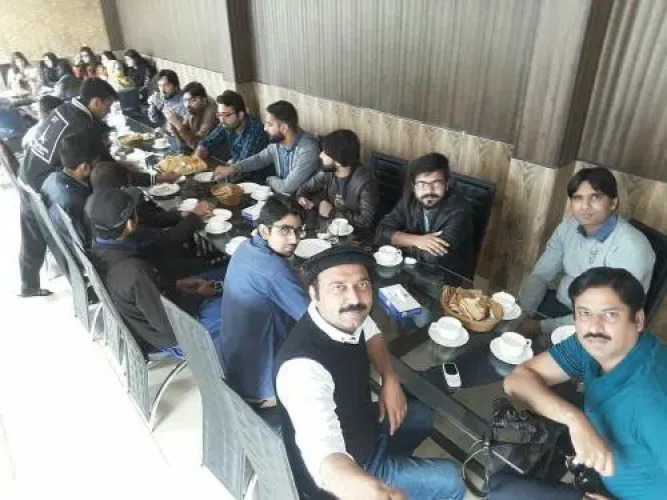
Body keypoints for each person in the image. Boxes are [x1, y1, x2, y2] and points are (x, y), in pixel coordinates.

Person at [275, 246, 466, 500]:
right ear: (314, 293)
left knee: (422, 413)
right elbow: (322, 451)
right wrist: (365, 488)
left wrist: (390, 377)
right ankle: (390, 476)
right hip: (352, 468)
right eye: (338, 287)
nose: (354, 298)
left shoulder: (346, 317)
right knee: (453, 481)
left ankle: (398, 467)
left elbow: (371, 331)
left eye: (362, 284)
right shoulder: (302, 370)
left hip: (364, 426)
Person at [493, 267, 667, 499]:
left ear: (637, 319)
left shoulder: (654, 400)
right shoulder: (590, 345)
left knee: (505, 492)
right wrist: (575, 420)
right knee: (501, 483)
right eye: (585, 313)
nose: (594, 327)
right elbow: (516, 380)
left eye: (610, 314)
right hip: (599, 475)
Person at [518, 167, 655, 343]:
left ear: (613, 203)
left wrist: (541, 327)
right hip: (562, 305)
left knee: (533, 353)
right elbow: (541, 274)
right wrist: (523, 313)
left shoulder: (631, 248)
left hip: (603, 327)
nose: (584, 206)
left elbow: (608, 313)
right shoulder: (569, 227)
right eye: (578, 198)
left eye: (595, 197)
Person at [17, 77, 118, 297]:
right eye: (108, 105)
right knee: (58, 237)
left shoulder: (66, 108)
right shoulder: (81, 124)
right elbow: (99, 159)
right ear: (96, 102)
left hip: (28, 171)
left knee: (32, 233)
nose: (108, 111)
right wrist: (124, 172)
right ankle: (85, 290)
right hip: (42, 182)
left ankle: (28, 285)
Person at [87, 188, 219, 354]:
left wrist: (176, 285)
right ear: (129, 224)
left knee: (218, 277)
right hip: (176, 338)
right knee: (239, 306)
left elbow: (143, 296)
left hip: (152, 315)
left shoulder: (99, 247)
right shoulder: (133, 271)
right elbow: (168, 324)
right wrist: (198, 296)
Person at [219, 197, 309, 405]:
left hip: (234, 366)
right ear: (264, 230)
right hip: (260, 385)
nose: (294, 240)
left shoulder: (245, 247)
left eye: (298, 231)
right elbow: (312, 319)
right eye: (285, 230)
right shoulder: (274, 269)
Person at [376, 152, 475, 277]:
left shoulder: (459, 210)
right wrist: (417, 240)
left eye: (436, 184)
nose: (429, 191)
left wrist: (397, 241)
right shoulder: (409, 200)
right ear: (414, 187)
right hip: (413, 269)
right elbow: (381, 231)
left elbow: (433, 257)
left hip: (449, 276)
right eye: (422, 184)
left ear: (446, 185)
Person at [214, 100, 319, 195]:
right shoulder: (278, 141)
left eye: (270, 124)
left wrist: (269, 180)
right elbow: (260, 159)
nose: (265, 128)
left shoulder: (307, 150)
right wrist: (232, 168)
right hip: (282, 195)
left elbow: (287, 188)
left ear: (283, 128)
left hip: (302, 202)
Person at [297, 129, 377, 236]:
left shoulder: (365, 183)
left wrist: (332, 212)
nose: (320, 155)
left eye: (325, 153)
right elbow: (305, 188)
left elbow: (365, 222)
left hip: (354, 237)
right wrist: (301, 197)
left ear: (338, 162)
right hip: (331, 229)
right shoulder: (328, 172)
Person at [41, 133, 97, 245]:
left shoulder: (51, 178)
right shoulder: (80, 201)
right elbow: (91, 238)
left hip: (61, 240)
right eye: (96, 162)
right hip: (86, 246)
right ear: (84, 167)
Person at [195, 90, 268, 163]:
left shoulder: (254, 132)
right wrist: (201, 147)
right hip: (236, 165)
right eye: (219, 114)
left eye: (226, 115)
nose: (222, 119)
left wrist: (230, 164)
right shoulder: (227, 123)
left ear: (240, 115)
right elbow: (208, 141)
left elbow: (244, 165)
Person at [166, 81, 217, 152]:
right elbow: (185, 144)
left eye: (193, 100)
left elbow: (198, 145)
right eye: (185, 101)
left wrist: (179, 126)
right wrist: (173, 124)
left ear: (204, 101)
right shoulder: (192, 111)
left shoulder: (213, 116)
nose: (187, 105)